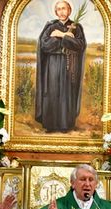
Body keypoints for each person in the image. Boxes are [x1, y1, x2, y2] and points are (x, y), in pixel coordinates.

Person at [35, 0, 87, 132]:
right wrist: (64, 37)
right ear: (55, 12)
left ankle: (65, 125)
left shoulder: (76, 27)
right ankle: (50, 125)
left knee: (66, 93)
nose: (61, 11)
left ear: (69, 10)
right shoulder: (50, 26)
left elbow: (80, 45)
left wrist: (61, 36)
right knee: (52, 92)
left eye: (64, 8)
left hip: (69, 65)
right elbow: (44, 45)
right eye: (58, 9)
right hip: (52, 65)